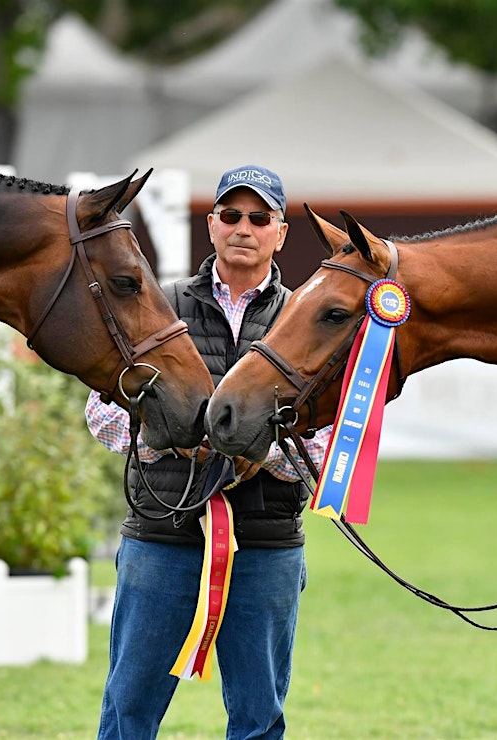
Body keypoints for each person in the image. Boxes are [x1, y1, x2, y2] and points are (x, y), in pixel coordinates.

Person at [86, 164, 331, 739]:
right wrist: (160, 437)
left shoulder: (309, 319)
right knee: (129, 710)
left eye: (258, 217)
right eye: (230, 214)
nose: (242, 227)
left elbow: (328, 439)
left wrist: (259, 450)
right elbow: (99, 412)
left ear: (280, 232)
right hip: (161, 537)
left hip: (266, 543)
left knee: (259, 718)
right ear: (212, 226)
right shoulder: (158, 306)